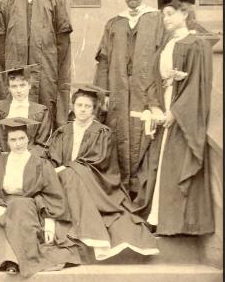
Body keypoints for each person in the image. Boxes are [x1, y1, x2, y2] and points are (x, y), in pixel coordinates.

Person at [133, 0, 215, 236]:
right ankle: (156, 217)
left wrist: (175, 113)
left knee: (176, 164)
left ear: (185, 14)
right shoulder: (167, 45)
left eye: (170, 14)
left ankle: (178, 224)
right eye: (163, 14)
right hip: (164, 107)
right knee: (159, 163)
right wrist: (155, 106)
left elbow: (197, 86)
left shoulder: (197, 45)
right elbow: (153, 80)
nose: (165, 19)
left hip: (182, 114)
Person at [47, 85, 159, 261]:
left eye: (87, 106)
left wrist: (68, 168)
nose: (82, 110)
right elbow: (52, 158)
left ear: (94, 109)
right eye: (79, 105)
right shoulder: (62, 132)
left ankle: (93, 235)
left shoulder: (102, 132)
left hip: (97, 181)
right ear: (72, 106)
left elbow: (99, 161)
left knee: (70, 175)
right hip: (63, 178)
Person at [0, 118, 79, 277]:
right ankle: (8, 259)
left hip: (29, 207)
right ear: (7, 142)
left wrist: (50, 220)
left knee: (19, 207)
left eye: (21, 138)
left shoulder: (40, 163)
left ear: (28, 139)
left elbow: (54, 194)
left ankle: (18, 261)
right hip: (3, 207)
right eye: (13, 139)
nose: (18, 143)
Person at [93, 0, 165, 194]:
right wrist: (103, 93)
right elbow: (104, 61)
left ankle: (143, 193)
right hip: (119, 92)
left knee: (144, 136)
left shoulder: (157, 20)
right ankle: (121, 190)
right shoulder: (114, 23)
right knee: (119, 134)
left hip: (147, 91)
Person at [0, 0, 72, 129]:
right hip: (16, 70)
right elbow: (0, 45)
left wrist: (54, 67)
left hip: (46, 70)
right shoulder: (8, 2)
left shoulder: (52, 0)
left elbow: (63, 43)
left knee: (46, 109)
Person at [0, 64, 52, 152]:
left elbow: (42, 144)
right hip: (2, 159)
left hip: (29, 160)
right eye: (14, 86)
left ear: (29, 86)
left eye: (22, 85)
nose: (19, 90)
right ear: (9, 88)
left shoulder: (41, 112)